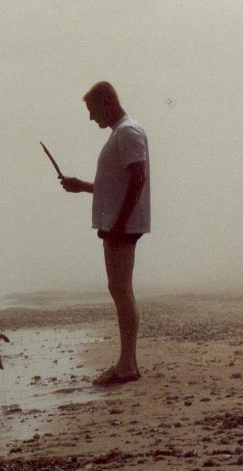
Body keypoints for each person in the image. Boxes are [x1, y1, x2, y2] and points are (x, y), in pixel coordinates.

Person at [59, 81, 150, 386]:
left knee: (121, 290)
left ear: (107, 103)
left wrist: (120, 224)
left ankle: (127, 366)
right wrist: (81, 186)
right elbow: (118, 184)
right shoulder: (121, 133)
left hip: (121, 225)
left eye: (92, 110)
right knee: (120, 289)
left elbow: (139, 179)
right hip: (117, 223)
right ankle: (129, 363)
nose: (90, 117)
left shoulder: (128, 131)